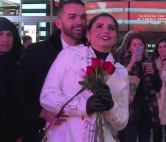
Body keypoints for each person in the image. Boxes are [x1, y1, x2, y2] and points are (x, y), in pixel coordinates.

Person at [39, 13, 129, 141]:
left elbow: (122, 123)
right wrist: (84, 106)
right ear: (88, 34)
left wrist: (110, 106)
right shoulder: (69, 55)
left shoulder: (120, 72)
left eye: (111, 28)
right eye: (99, 26)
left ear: (116, 37)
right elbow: (47, 96)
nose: (105, 31)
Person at [14, 0, 87, 141]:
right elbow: (19, 93)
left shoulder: (92, 52)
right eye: (72, 17)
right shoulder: (36, 52)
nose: (79, 22)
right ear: (58, 23)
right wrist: (40, 112)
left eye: (83, 17)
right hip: (44, 132)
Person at [117, 33, 162, 142]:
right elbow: (118, 83)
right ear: (129, 47)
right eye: (134, 45)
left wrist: (154, 74)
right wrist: (132, 63)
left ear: (144, 47)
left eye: (140, 45)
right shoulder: (122, 62)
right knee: (129, 138)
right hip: (129, 107)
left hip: (147, 106)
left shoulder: (149, 62)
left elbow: (158, 87)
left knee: (145, 137)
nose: (138, 47)